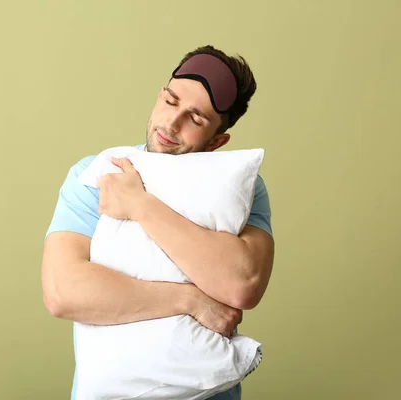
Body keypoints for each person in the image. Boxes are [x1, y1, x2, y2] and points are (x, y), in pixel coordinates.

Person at [41, 45, 275, 399]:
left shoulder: (240, 188)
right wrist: (190, 301)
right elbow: (63, 292)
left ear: (217, 141)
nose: (172, 123)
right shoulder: (98, 173)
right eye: (170, 100)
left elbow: (242, 284)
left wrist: (138, 204)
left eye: (196, 119)